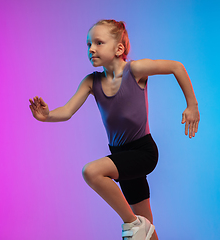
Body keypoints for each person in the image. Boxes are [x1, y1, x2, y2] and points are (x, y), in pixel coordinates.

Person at [29, 19, 200, 240]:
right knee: (147, 231)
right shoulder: (92, 81)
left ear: (119, 48)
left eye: (99, 43)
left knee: (91, 172)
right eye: (88, 44)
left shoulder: (135, 69)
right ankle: (140, 227)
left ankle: (131, 224)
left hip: (143, 152)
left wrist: (192, 106)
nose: (91, 49)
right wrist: (47, 116)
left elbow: (177, 67)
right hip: (121, 157)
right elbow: (68, 111)